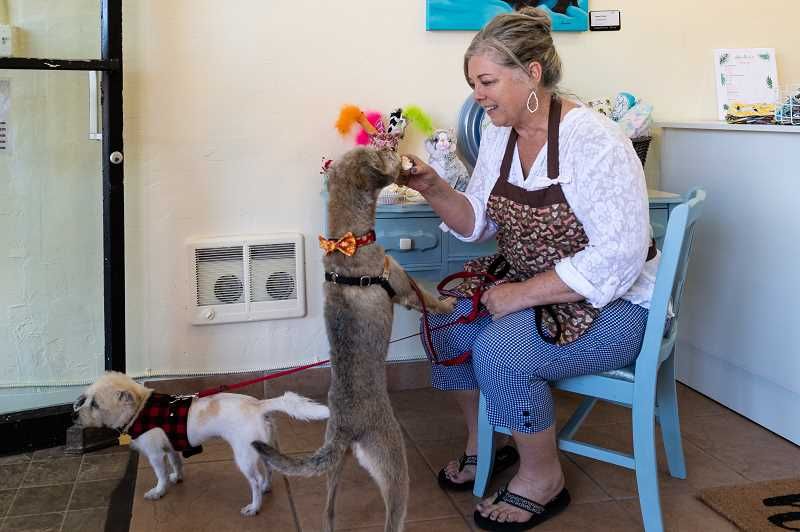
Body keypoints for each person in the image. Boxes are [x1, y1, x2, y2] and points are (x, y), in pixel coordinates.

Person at [400, 7, 657, 531]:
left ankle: (543, 478)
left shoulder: (596, 142)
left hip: (617, 306)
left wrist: (520, 295)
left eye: (488, 81)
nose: (478, 94)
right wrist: (432, 187)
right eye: (474, 83)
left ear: (532, 72)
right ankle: (486, 444)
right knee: (449, 323)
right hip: (538, 285)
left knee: (501, 352)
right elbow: (476, 222)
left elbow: (619, 256)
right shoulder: (500, 134)